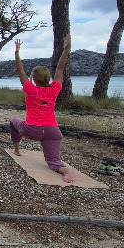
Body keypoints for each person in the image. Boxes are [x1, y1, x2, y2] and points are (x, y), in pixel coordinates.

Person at [10, 34, 75, 183]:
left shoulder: (31, 89)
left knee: (14, 121)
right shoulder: (54, 89)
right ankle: (65, 172)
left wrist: (17, 53)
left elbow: (21, 72)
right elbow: (60, 68)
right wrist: (66, 49)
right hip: (53, 131)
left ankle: (17, 150)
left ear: (34, 79)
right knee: (53, 161)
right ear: (48, 78)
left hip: (32, 130)